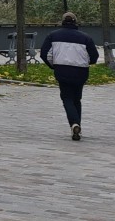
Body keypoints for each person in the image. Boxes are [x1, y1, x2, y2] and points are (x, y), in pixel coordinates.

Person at [38, 12, 98, 141]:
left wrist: (53, 65)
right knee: (77, 99)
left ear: (62, 21)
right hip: (81, 72)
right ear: (76, 22)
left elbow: (44, 53)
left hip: (62, 70)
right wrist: (86, 62)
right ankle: (77, 126)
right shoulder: (85, 38)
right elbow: (94, 56)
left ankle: (74, 124)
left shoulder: (53, 36)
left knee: (67, 98)